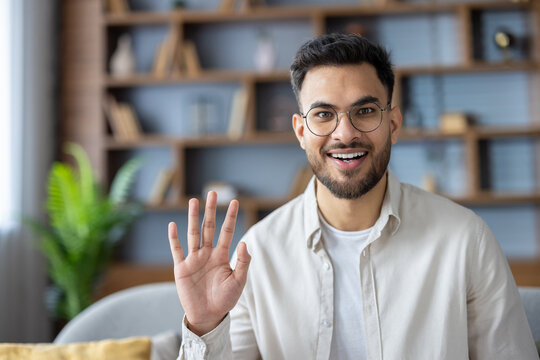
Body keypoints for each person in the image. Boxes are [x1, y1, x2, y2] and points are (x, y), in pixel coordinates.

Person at [168, 34, 539, 359]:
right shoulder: (259, 253)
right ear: (300, 131)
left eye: (364, 111)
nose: (345, 134)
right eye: (323, 114)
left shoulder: (465, 240)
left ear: (393, 124)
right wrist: (204, 327)